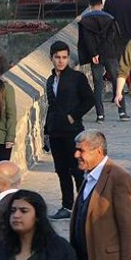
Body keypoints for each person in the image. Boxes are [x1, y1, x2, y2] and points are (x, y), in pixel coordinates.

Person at [70, 130, 131, 260]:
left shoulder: (118, 177)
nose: (76, 155)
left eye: (81, 151)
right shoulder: (89, 176)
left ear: (99, 152)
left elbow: (129, 229)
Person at [44, 41, 94, 220]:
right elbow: (51, 106)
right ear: (51, 58)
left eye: (64, 57)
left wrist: (73, 115)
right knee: (61, 170)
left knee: (77, 170)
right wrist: (46, 130)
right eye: (57, 57)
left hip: (73, 132)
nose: (61, 61)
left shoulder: (77, 78)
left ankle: (83, 205)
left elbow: (89, 100)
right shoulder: (50, 80)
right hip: (56, 132)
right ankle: (67, 205)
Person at [78, 0, 129, 123]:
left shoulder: (85, 20)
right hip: (110, 55)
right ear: (101, 5)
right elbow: (113, 37)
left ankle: (100, 114)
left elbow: (86, 39)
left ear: (90, 6)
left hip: (95, 57)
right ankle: (122, 112)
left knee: (98, 85)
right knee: (117, 82)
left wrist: (94, 53)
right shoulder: (109, 18)